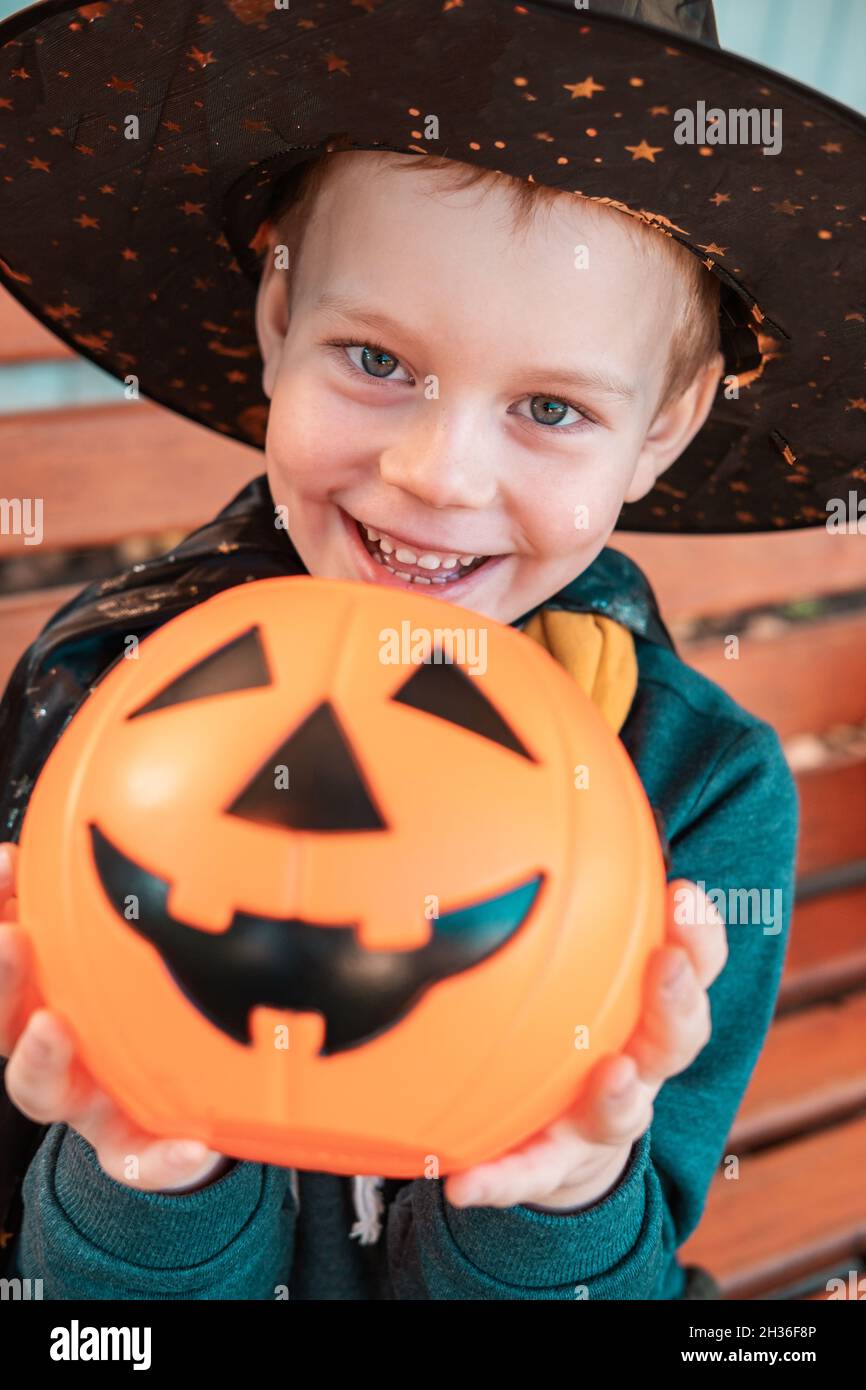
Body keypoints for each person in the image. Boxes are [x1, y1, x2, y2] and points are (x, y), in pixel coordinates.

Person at [0, 0, 860, 1300]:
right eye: (375, 359)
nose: (434, 475)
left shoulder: (699, 796)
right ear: (279, 316)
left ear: (663, 427)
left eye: (551, 407)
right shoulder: (108, 700)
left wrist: (561, 1189)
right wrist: (144, 1170)